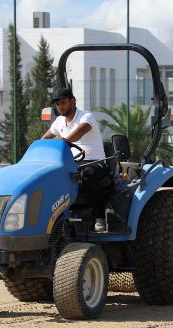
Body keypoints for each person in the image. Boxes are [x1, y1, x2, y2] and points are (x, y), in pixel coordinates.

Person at [42, 88, 109, 232]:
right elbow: (45, 138)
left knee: (88, 176)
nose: (60, 107)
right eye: (58, 104)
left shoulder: (86, 117)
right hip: (69, 163)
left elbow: (78, 133)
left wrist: (63, 140)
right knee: (48, 178)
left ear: (73, 101)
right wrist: (39, 146)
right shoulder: (59, 121)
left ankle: (99, 217)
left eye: (63, 103)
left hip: (93, 161)